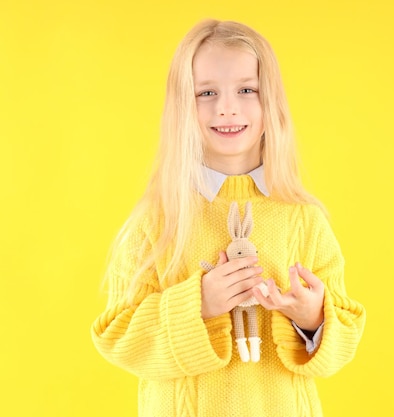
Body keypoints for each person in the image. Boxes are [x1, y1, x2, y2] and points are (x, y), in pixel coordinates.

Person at [91, 18, 366, 417]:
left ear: (269, 100)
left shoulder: (304, 219)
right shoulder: (157, 221)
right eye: (206, 92)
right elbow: (117, 336)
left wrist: (312, 317)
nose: (227, 107)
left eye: (246, 89)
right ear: (182, 105)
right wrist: (197, 304)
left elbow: (344, 336)